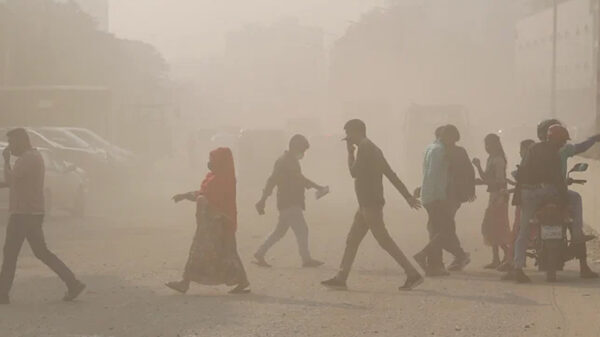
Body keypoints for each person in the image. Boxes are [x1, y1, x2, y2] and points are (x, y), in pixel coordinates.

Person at [321, 119, 423, 291]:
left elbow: (354, 172)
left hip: (370, 203)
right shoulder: (374, 148)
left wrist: (349, 153)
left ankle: (412, 274)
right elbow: (390, 174)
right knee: (352, 240)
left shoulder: (365, 149)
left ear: (357, 131)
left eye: (348, 133)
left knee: (384, 240)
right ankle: (341, 277)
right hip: (366, 204)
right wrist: (406, 196)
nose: (348, 138)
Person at [0, 128, 86, 304]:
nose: (10, 147)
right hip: (32, 212)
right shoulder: (33, 157)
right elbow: (14, 183)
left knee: (10, 254)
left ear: (21, 141)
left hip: (23, 214)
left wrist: (6, 160)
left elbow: (10, 180)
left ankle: (2, 294)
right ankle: (72, 283)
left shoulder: (27, 159)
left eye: (11, 142)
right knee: (41, 252)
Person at [166, 147, 250, 294]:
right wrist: (186, 195)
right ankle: (186, 282)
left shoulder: (224, 179)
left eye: (213, 160)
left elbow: (213, 200)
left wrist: (198, 199)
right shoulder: (213, 177)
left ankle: (185, 282)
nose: (210, 163)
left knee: (216, 252)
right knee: (222, 252)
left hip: (219, 223)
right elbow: (204, 193)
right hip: (210, 223)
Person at [506, 124, 572, 283]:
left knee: (523, 230)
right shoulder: (554, 154)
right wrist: (565, 201)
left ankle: (518, 267)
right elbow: (557, 179)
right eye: (562, 140)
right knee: (571, 203)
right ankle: (574, 234)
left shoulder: (532, 149)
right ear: (556, 140)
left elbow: (522, 171)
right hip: (546, 191)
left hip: (528, 193)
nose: (563, 144)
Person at [534, 119, 598, 278]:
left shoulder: (536, 149)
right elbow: (582, 147)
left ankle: (516, 261)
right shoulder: (564, 149)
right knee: (576, 203)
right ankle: (581, 255)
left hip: (540, 192)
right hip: (558, 192)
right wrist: (594, 138)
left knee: (527, 220)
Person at [254, 134, 327, 268]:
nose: (304, 153)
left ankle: (260, 252)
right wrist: (262, 199)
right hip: (289, 202)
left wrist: (263, 200)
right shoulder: (286, 162)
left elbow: (291, 179)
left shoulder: (289, 160)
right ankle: (306, 259)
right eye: (303, 150)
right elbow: (277, 180)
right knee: (302, 230)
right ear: (295, 147)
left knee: (280, 232)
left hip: (288, 201)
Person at [414, 125, 471, 276]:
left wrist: (423, 188)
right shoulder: (441, 151)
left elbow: (432, 174)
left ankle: (437, 263)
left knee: (438, 228)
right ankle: (438, 260)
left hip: (441, 195)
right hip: (442, 196)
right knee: (443, 229)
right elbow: (435, 174)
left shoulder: (433, 148)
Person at [472, 134, 512, 269]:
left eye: (489, 144)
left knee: (496, 227)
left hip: (499, 196)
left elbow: (500, 181)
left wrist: (485, 182)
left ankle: (507, 253)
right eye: (486, 145)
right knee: (491, 228)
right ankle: (496, 258)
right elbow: (487, 178)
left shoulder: (499, 160)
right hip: (494, 195)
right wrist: (478, 167)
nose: (487, 147)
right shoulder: (491, 159)